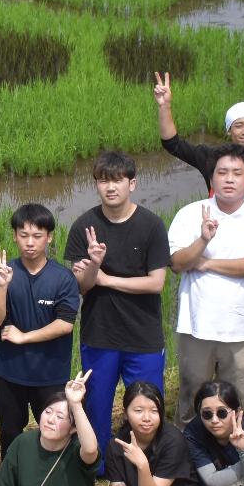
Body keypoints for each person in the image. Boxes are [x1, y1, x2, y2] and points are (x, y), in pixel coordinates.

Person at [156, 77, 244, 409]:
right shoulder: (209, 165)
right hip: (202, 298)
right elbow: (173, 143)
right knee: (194, 391)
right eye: (238, 125)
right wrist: (165, 105)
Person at [63, 151, 171, 456]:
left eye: (118, 180)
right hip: (100, 335)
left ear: (132, 183)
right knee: (96, 404)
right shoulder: (84, 226)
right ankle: (95, 466)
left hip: (143, 335)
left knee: (148, 406)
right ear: (96, 185)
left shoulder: (151, 225)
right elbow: (82, 287)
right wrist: (94, 265)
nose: (111, 187)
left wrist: (107, 280)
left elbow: (155, 283)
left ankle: (149, 462)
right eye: (103, 180)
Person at [167, 148, 244, 426]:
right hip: (196, 324)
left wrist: (206, 263)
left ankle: (233, 450)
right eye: (222, 172)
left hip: (241, 325)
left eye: (237, 173)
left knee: (235, 398)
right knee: (192, 394)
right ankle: (188, 452)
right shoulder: (189, 214)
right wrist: (203, 240)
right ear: (211, 179)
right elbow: (176, 262)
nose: (229, 179)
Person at [0, 203, 82, 454]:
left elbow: (65, 324)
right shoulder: (2, 274)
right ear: (15, 236)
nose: (30, 242)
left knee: (56, 429)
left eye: (37, 236)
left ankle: (55, 478)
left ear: (49, 237)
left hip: (50, 373)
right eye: (23, 235)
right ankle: (10, 483)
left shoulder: (63, 278)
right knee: (9, 432)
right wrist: (2, 287)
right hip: (10, 372)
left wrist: (24, 337)